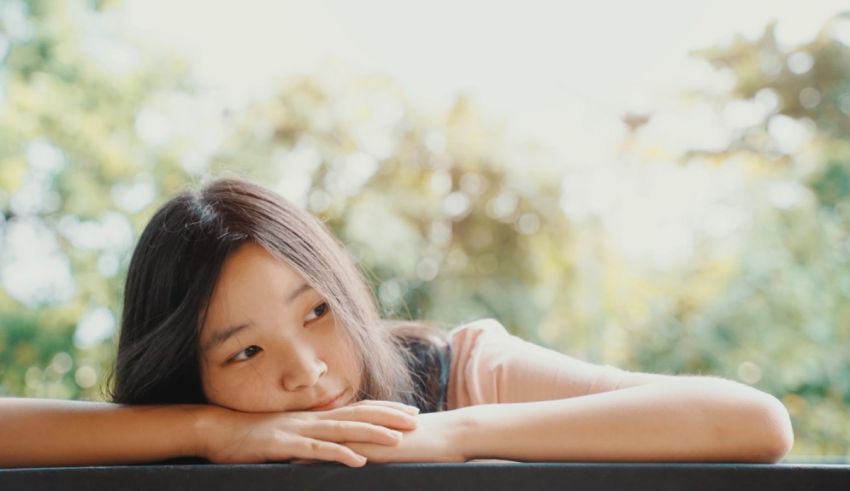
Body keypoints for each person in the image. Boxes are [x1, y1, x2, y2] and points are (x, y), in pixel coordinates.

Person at [0, 178, 794, 468]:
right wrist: (208, 431)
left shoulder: (452, 369)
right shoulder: (185, 430)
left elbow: (753, 420)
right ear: (190, 370)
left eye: (317, 311)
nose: (306, 371)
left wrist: (449, 434)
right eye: (244, 350)